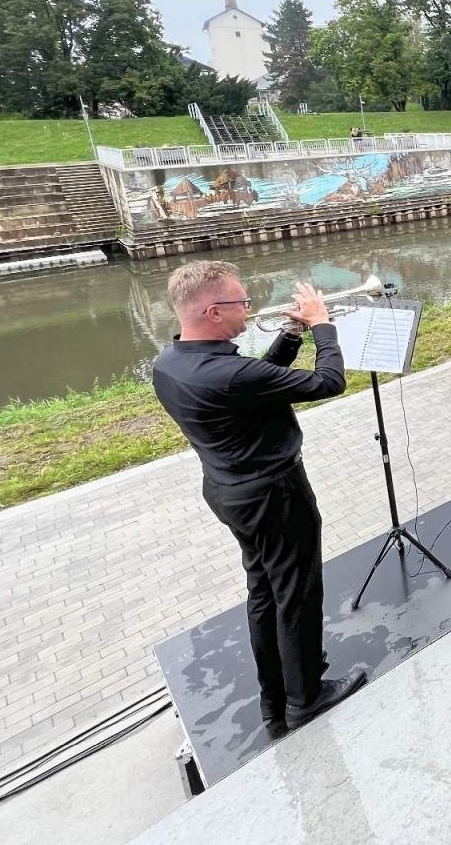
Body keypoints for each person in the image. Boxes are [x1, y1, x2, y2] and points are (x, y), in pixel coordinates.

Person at [151, 261, 366, 734]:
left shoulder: (171, 363)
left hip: (230, 492)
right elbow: (329, 382)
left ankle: (276, 697)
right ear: (211, 311)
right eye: (241, 302)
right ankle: (307, 697)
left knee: (265, 592)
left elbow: (256, 383)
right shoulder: (228, 374)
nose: (250, 307)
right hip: (275, 494)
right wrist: (322, 328)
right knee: (298, 593)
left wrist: (290, 335)